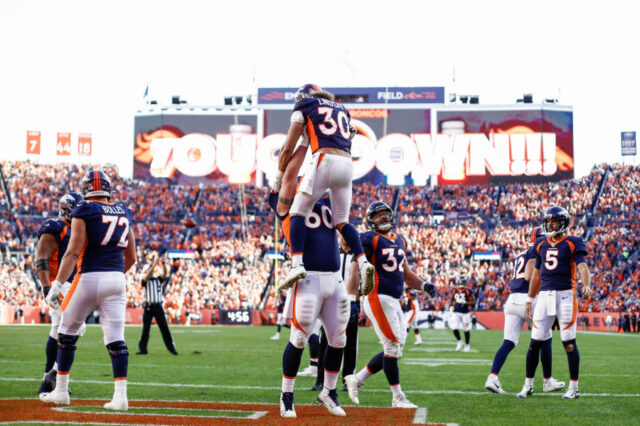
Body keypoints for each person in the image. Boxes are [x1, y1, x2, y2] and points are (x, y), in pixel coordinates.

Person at [40, 169, 137, 410]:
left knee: (66, 333)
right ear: (108, 188)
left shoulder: (84, 209)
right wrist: (113, 276)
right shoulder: (124, 211)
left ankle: (61, 392)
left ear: (85, 190)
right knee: (116, 338)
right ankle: (121, 397)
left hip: (89, 277)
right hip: (117, 279)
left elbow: (72, 253)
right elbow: (132, 257)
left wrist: (57, 285)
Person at [271, 84, 375, 295]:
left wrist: (278, 176)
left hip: (324, 161)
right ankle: (363, 261)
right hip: (347, 165)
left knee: (297, 211)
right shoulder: (341, 109)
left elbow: (286, 148)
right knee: (342, 221)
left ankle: (297, 264)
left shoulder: (305, 104)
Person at [344, 201, 437, 408]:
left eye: (385, 214)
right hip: (377, 296)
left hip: (394, 300)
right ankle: (398, 397)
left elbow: (407, 274)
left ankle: (356, 379)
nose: (383, 218)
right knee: (392, 346)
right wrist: (352, 299)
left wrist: (424, 285)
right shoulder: (367, 238)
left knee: (395, 349)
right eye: (378, 215)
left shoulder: (400, 240)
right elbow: (355, 270)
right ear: (370, 220)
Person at [269, 189, 349, 418]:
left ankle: (329, 392)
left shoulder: (329, 198)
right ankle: (286, 396)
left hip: (334, 278)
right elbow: (280, 193)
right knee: (299, 337)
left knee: (338, 339)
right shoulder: (291, 198)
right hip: (308, 277)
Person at [519, 206, 592, 399]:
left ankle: (574, 388)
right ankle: (528, 385)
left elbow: (583, 266)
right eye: (548, 221)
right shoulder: (541, 243)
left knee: (568, 343)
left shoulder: (573, 242)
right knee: (535, 343)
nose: (550, 225)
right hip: (544, 296)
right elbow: (535, 274)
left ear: (564, 223)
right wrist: (529, 298)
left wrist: (586, 285)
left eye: (554, 222)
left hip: (565, 295)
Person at [485, 227, 564, 395]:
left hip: (512, 299)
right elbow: (529, 276)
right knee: (546, 338)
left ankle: (492, 377)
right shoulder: (539, 250)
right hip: (529, 299)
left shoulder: (521, 253)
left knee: (509, 341)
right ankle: (547, 380)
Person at [34, 192, 85, 396]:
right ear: (67, 208)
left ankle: (50, 377)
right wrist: (47, 286)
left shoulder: (75, 227)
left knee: (59, 329)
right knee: (75, 326)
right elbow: (42, 258)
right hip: (57, 283)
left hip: (69, 284)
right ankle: (54, 374)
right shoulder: (55, 226)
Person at [137, 253, 178, 355]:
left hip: (158, 306)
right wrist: (154, 265)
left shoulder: (158, 280)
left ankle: (171, 348)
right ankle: (143, 349)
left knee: (164, 328)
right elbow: (147, 276)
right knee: (146, 329)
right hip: (149, 307)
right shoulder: (145, 281)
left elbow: (165, 273)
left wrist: (163, 263)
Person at [450, 276, 475, 352]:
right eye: (461, 282)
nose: (461, 283)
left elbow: (473, 303)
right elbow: (452, 299)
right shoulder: (454, 290)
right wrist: (451, 306)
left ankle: (467, 345)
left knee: (466, 329)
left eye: (463, 282)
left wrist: (466, 302)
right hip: (456, 311)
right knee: (454, 328)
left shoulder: (468, 291)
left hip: (465, 313)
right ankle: (460, 342)